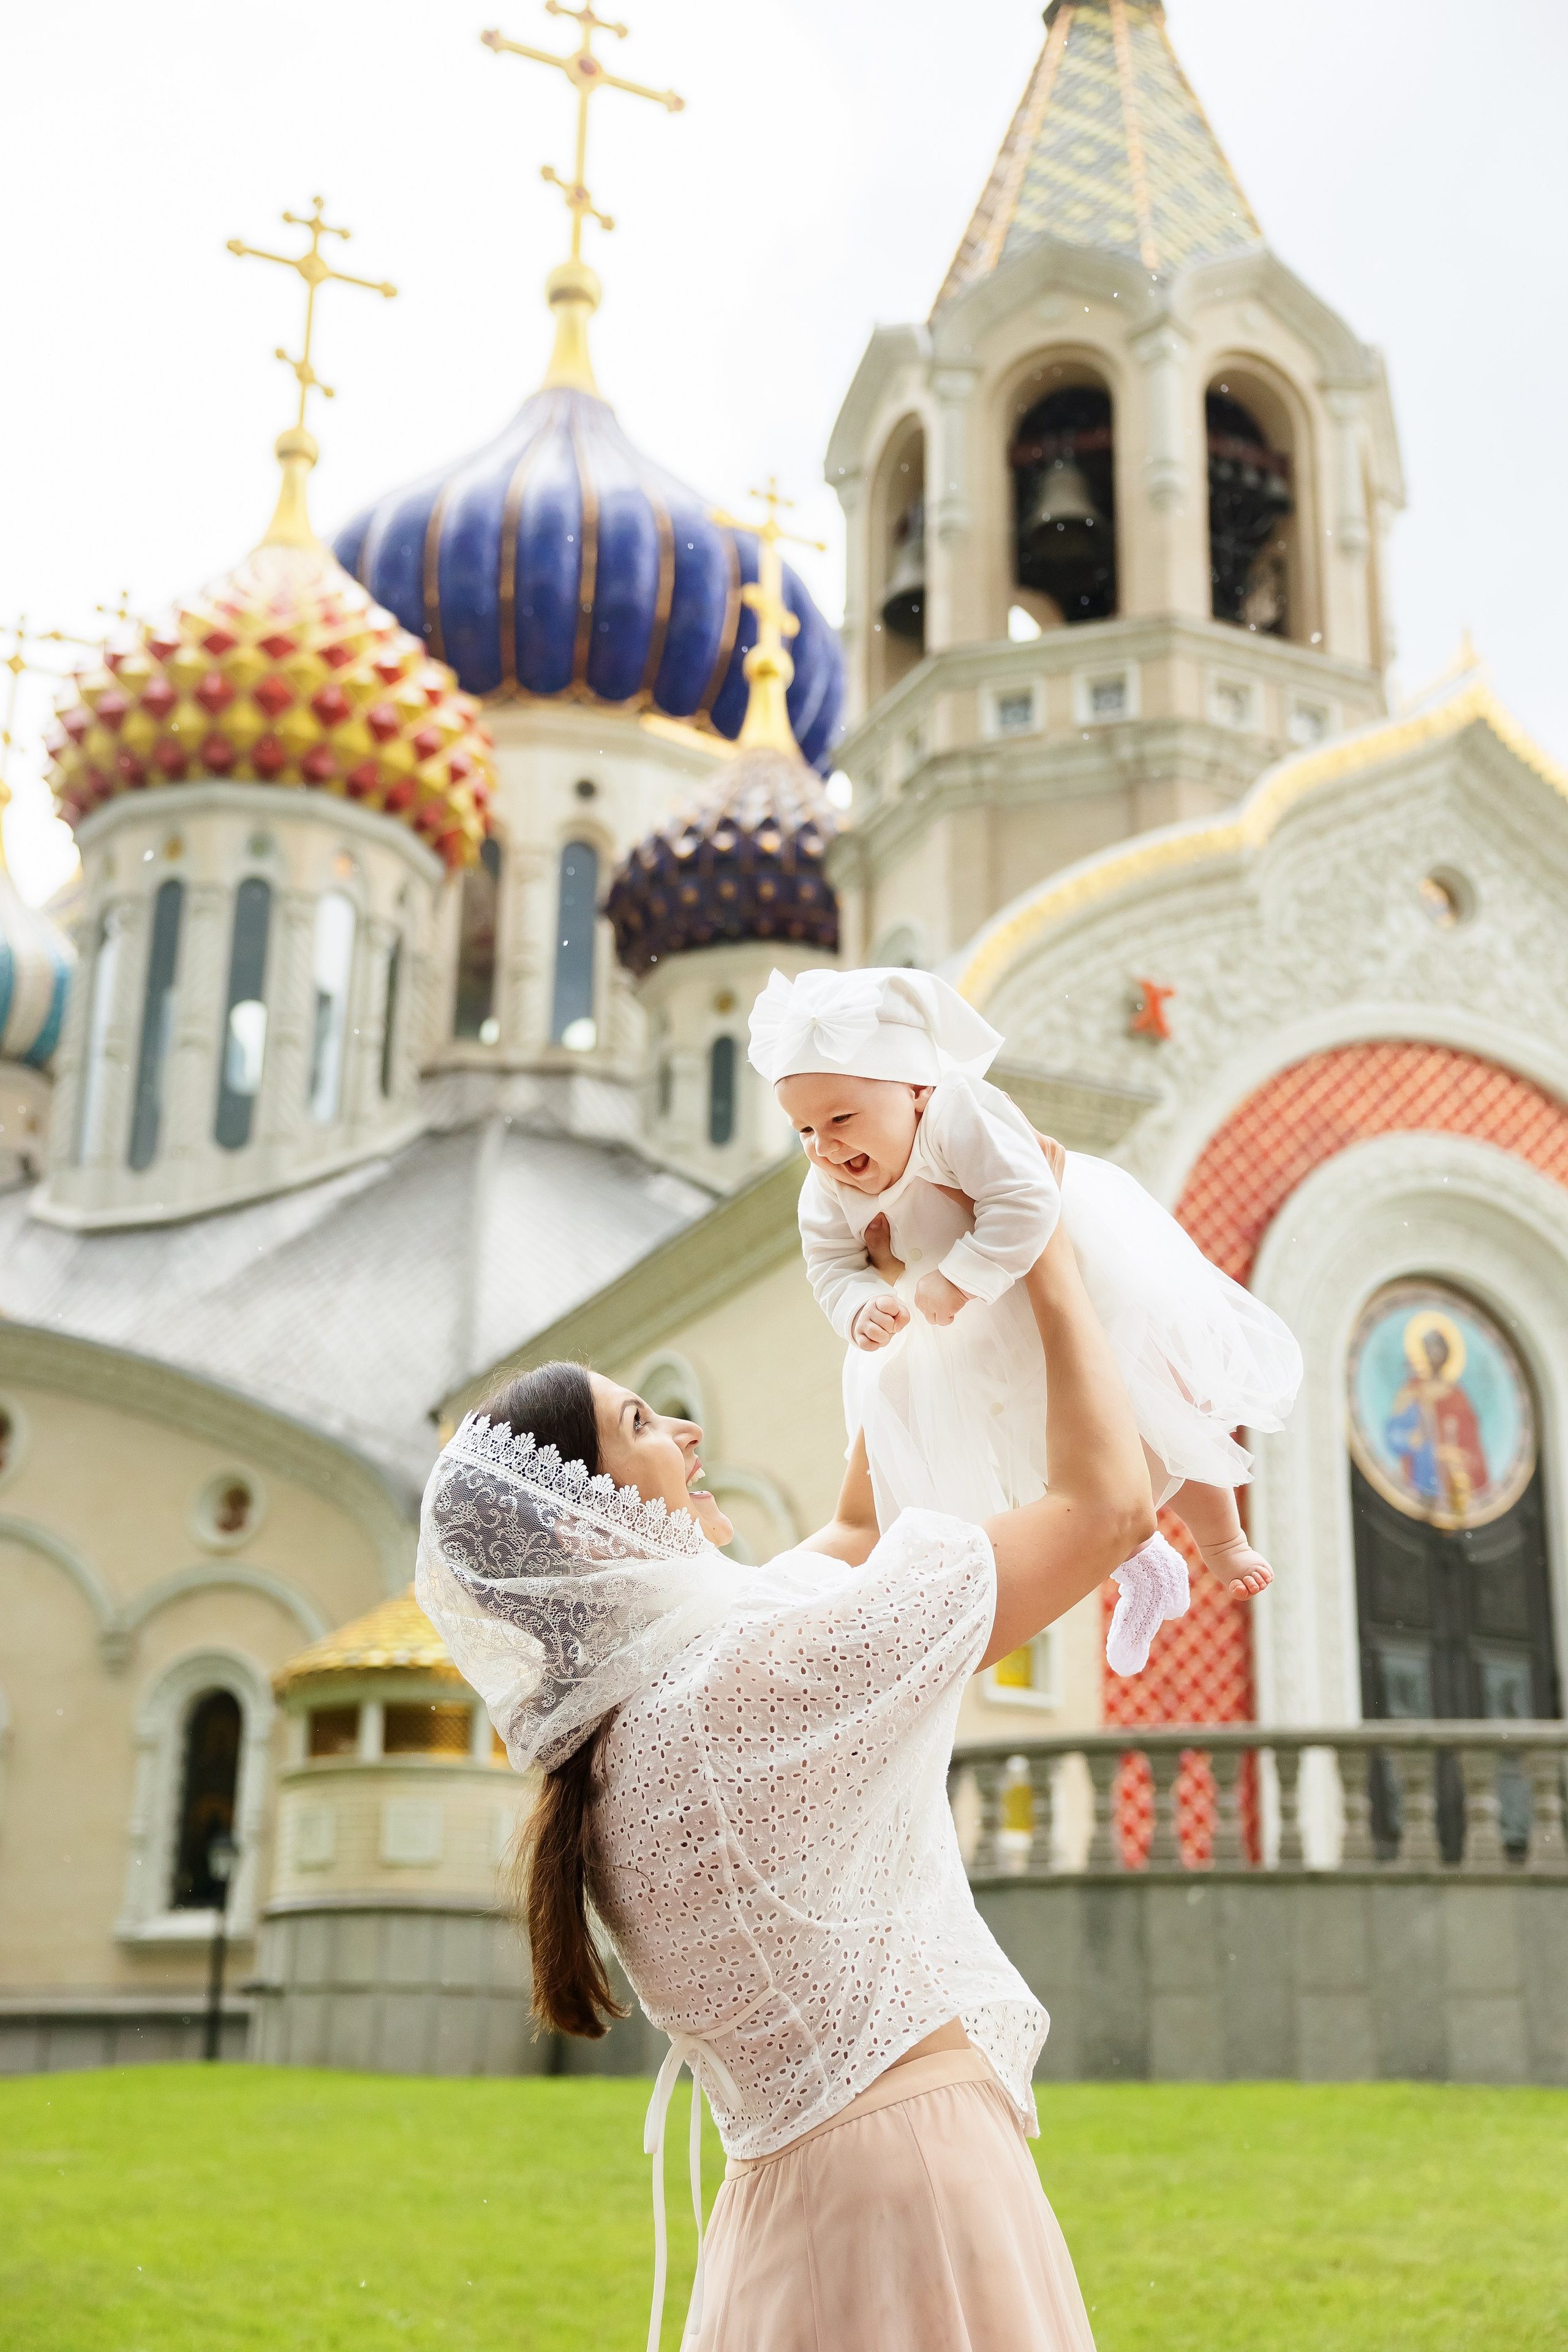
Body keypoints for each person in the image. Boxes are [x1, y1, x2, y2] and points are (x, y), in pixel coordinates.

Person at [417, 1206, 1153, 2351]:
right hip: (905, 2191)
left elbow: (861, 1528)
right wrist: (1043, 1250)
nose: (691, 1433)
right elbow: (1106, 1513)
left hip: (788, 2209)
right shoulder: (741, 1679)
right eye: (644, 1422)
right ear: (591, 1524)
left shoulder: (625, 1726)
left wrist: (901, 1300)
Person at [747, 965, 1303, 1672]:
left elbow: (1026, 1201)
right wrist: (859, 1306)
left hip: (1053, 1284)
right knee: (1041, 1450)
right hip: (965, 1333)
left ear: (918, 1091)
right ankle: (1137, 1564)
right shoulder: (823, 1187)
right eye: (803, 1129)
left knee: (1156, 1411)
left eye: (840, 1120)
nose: (823, 1146)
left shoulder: (960, 1116)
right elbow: (829, 1264)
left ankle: (1221, 1542)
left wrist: (962, 1275)